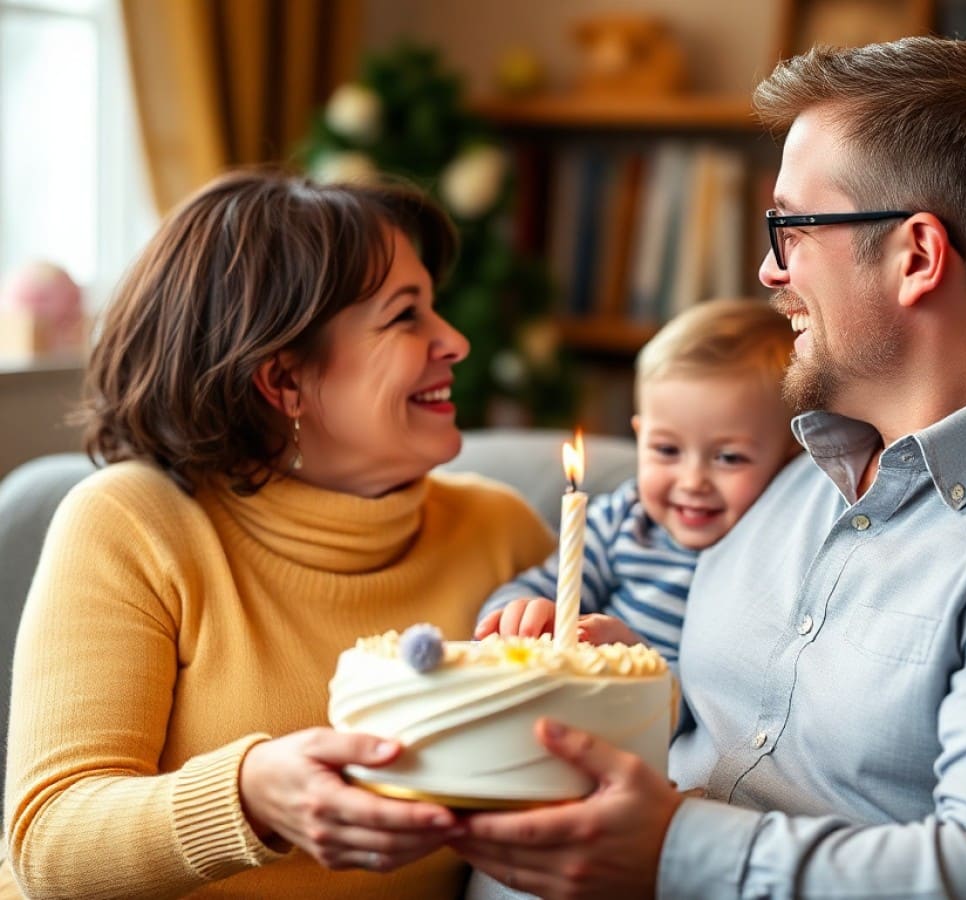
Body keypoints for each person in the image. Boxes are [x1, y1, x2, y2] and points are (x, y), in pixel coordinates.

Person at [453, 36, 966, 899]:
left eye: (792, 227)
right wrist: (623, 683)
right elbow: (719, 707)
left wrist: (666, 851)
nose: (768, 269)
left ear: (916, 257)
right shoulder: (784, 466)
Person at [2, 170, 555, 899]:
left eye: (436, 307)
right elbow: (50, 846)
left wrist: (616, 673)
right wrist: (251, 796)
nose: (454, 340)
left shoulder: (499, 529)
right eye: (404, 316)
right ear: (284, 382)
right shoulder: (132, 523)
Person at [474, 298, 798, 662]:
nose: (692, 482)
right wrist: (521, 613)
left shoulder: (776, 557)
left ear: (791, 458)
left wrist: (640, 663)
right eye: (666, 450)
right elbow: (541, 585)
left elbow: (730, 702)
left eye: (728, 457)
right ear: (640, 437)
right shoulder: (623, 519)